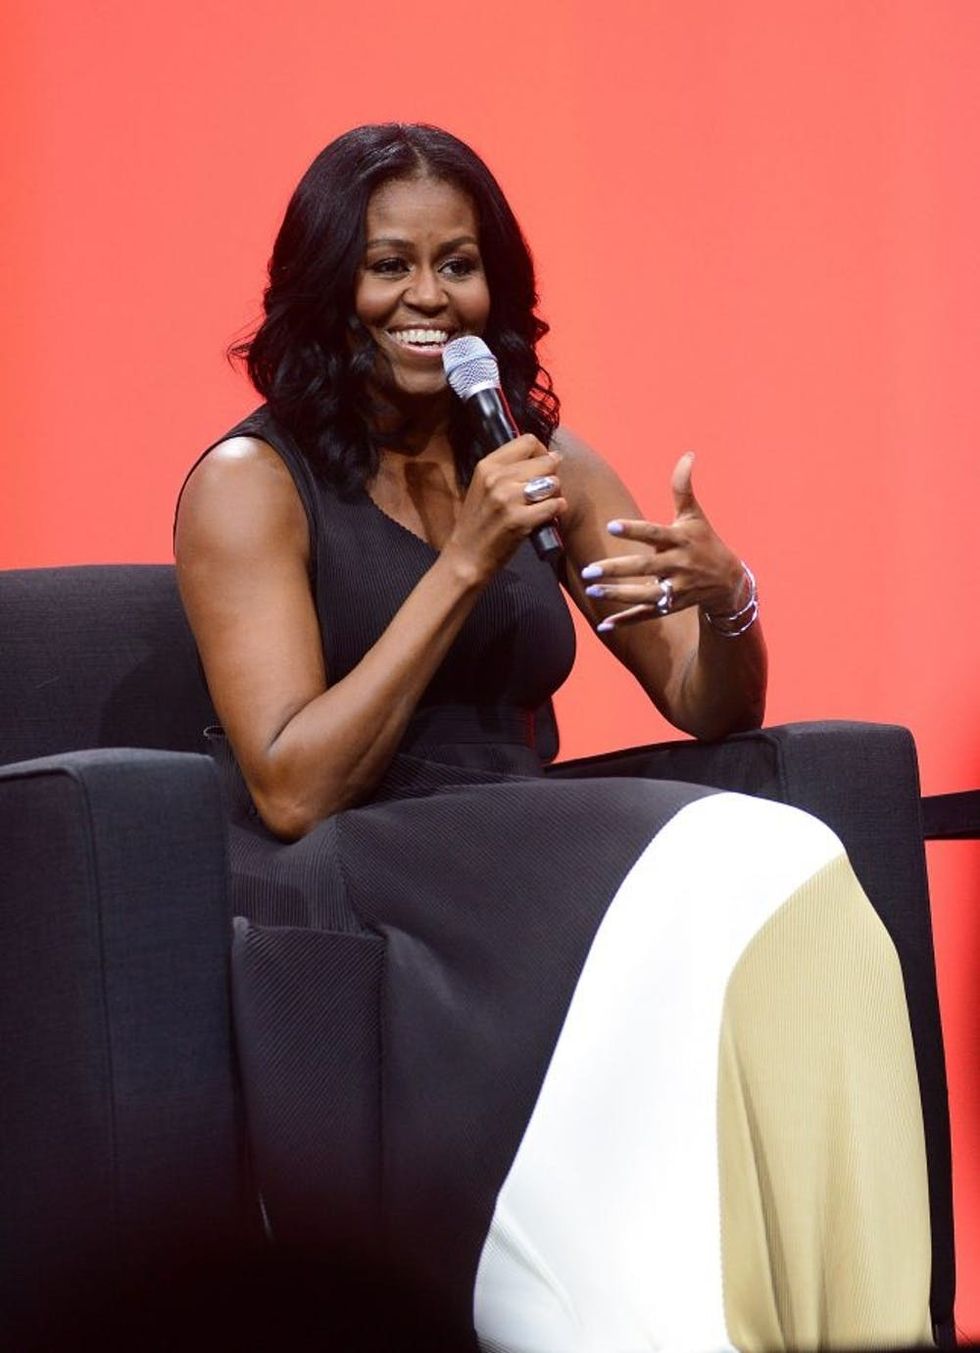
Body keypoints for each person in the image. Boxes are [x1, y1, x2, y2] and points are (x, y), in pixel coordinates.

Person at [175, 123, 932, 1352]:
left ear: (496, 291)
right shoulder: (250, 485)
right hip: (357, 863)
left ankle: (845, 1315)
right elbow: (289, 784)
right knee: (726, 856)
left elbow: (702, 705)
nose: (428, 297)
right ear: (330, 288)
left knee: (781, 855)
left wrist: (726, 596)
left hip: (526, 854)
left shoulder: (540, 461)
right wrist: (465, 562)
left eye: (458, 264)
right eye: (388, 266)